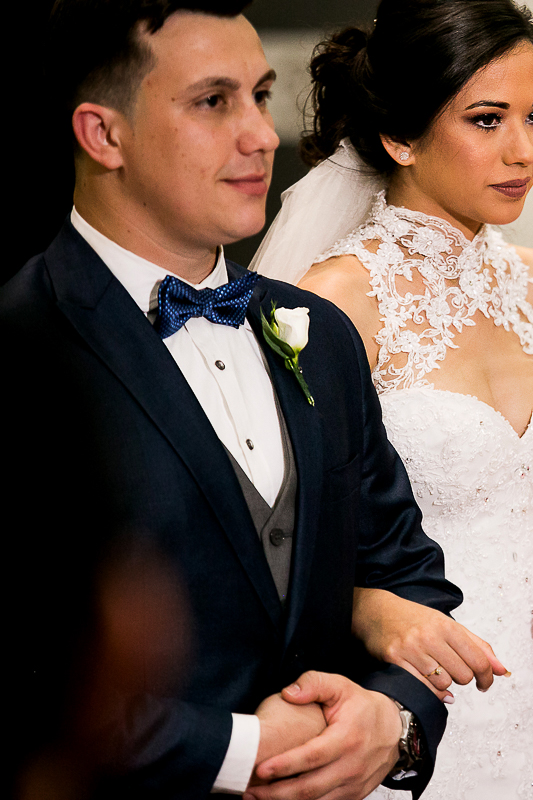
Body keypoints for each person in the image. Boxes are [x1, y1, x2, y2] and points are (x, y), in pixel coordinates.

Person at [1, 2, 470, 797]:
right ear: (102, 133)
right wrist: (237, 747)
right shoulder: (20, 344)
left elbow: (405, 570)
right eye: (214, 101)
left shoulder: (318, 333)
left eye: (260, 94)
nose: (261, 134)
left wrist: (395, 721)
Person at [250, 1, 533, 798]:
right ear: (400, 136)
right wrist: (368, 604)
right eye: (488, 120)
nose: (524, 151)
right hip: (413, 699)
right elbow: (276, 540)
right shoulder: (331, 305)